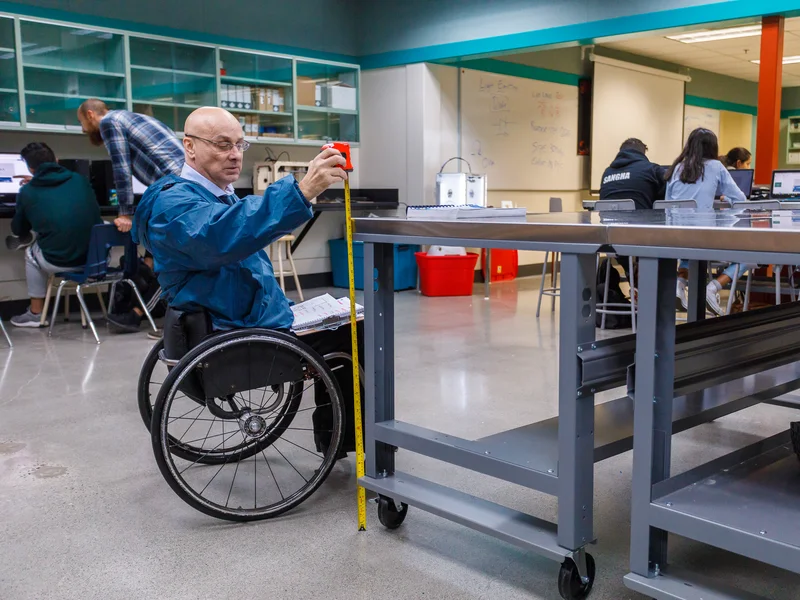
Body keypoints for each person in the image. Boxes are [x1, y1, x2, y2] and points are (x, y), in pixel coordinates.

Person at [131, 106, 361, 454]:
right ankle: (349, 444)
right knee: (355, 329)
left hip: (243, 317)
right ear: (189, 146)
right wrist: (301, 190)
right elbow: (222, 233)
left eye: (240, 144)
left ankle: (341, 439)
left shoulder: (208, 194)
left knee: (345, 315)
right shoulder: (174, 204)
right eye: (223, 144)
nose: (235, 154)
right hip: (237, 331)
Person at [77, 98, 184, 334]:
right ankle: (140, 310)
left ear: (91, 115)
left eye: (82, 122)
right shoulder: (131, 117)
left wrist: (125, 212)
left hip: (176, 191)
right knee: (154, 258)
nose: (83, 129)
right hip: (179, 187)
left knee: (168, 261)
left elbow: (121, 169)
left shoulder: (109, 123)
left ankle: (139, 314)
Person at [10, 143, 102, 327]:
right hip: (95, 259)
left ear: (31, 169)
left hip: (59, 260)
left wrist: (31, 188)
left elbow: (18, 229)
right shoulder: (80, 180)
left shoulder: (28, 192)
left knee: (30, 251)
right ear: (57, 160)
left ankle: (36, 313)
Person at [666, 128, 749, 315]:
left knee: (688, 254)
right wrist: (726, 199)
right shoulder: (716, 166)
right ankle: (712, 288)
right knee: (750, 255)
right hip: (705, 240)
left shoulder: (677, 167)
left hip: (677, 239)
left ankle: (679, 285)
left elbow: (667, 205)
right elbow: (741, 199)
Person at [599, 138, 666, 209]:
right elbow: (669, 198)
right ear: (642, 153)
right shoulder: (652, 170)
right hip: (642, 216)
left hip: (607, 216)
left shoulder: (607, 173)